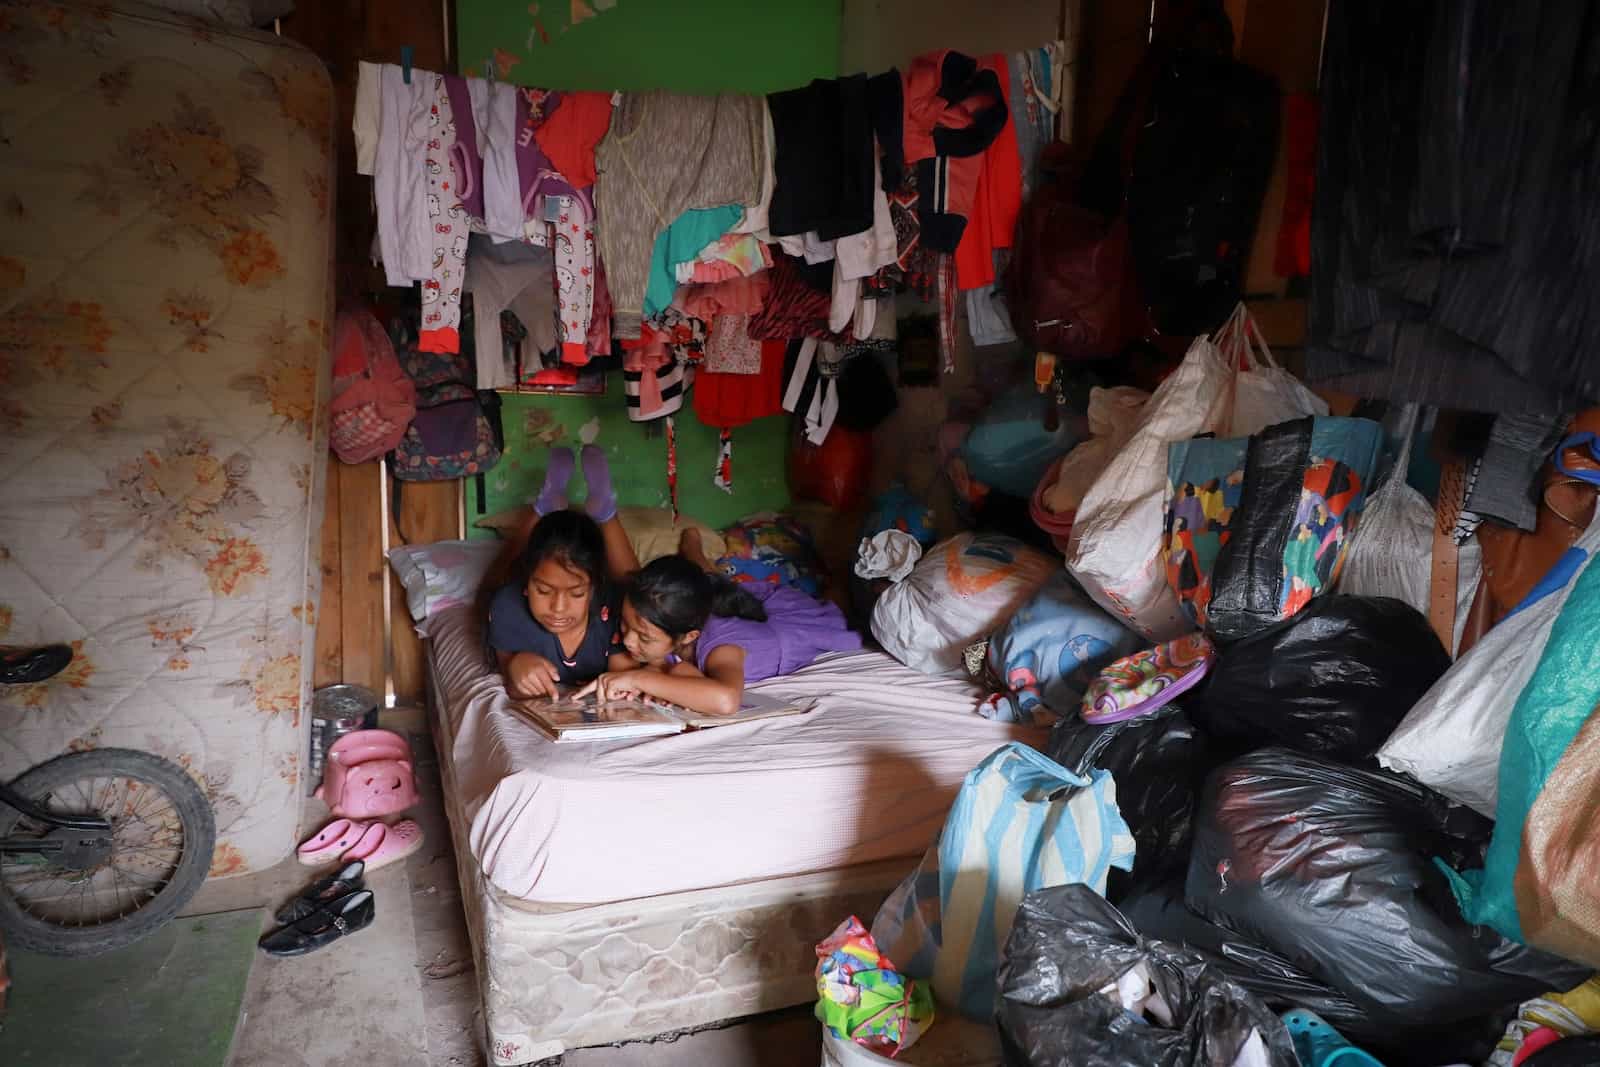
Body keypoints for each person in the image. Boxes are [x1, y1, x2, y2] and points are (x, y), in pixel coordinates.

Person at [578, 531, 862, 716]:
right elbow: (676, 670)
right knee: (707, 579)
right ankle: (694, 550)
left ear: (689, 636)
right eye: (625, 626)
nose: (627, 641)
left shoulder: (722, 650)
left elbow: (726, 701)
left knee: (834, 605)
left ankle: (841, 573)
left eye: (643, 637)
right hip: (725, 601)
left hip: (790, 624)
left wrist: (637, 678)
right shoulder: (670, 614)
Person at [484, 445, 639, 699]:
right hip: (512, 586)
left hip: (615, 595)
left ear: (594, 588)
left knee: (639, 592)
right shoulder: (508, 604)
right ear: (528, 584)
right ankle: (544, 505)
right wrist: (515, 665)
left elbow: (626, 673)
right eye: (543, 590)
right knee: (496, 582)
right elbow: (512, 681)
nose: (557, 608)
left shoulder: (612, 611)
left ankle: (605, 512)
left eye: (576, 593)